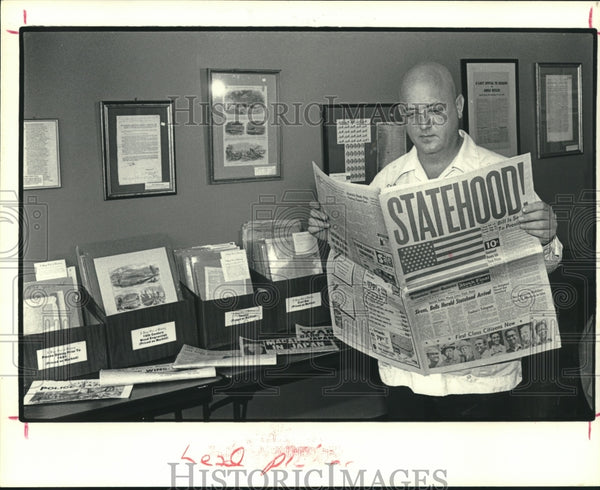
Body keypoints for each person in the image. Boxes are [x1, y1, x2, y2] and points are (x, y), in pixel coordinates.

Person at [309, 62, 562, 409]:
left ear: (458, 107)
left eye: (435, 110)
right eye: (413, 113)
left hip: (483, 383)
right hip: (405, 380)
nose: (424, 124)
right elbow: (365, 274)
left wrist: (547, 238)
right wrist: (334, 235)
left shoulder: (500, 176)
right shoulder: (386, 183)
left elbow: (538, 268)